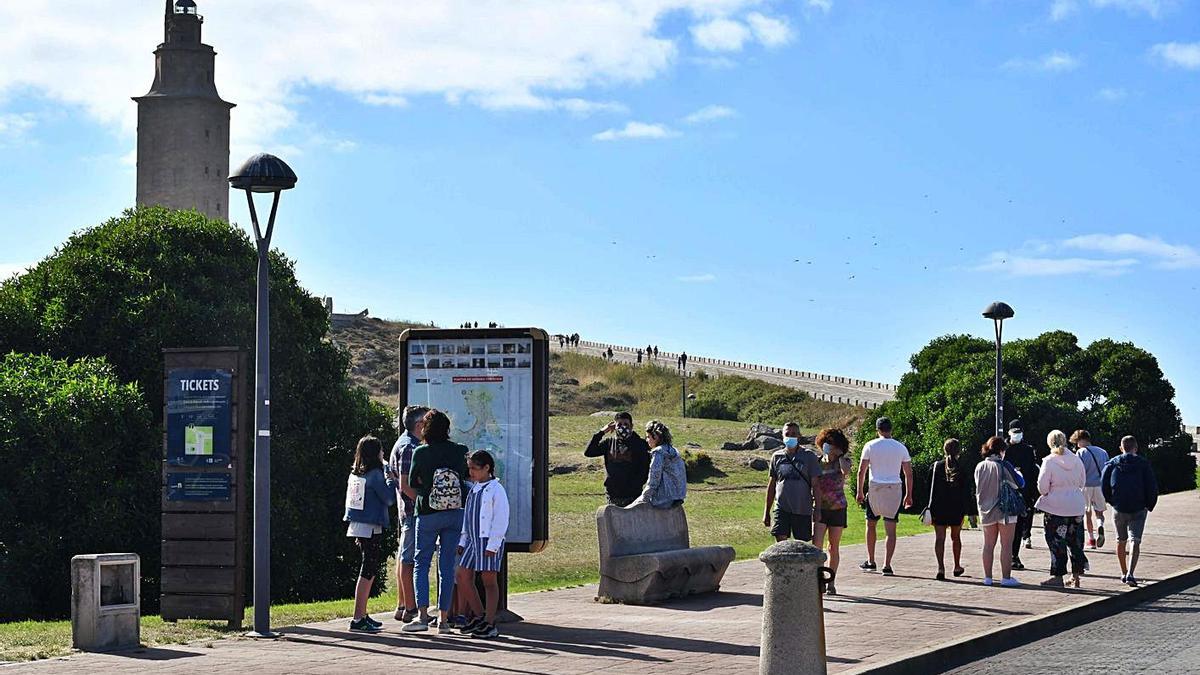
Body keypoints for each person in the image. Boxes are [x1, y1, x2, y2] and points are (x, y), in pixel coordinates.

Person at [404, 410, 468, 634]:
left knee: (421, 563)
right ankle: (443, 620)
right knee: (447, 567)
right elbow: (465, 476)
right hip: (454, 513)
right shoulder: (459, 450)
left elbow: (413, 482)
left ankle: (422, 616)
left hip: (428, 513)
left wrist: (427, 488)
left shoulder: (421, 452)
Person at [344, 435, 396, 632]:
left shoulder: (356, 473)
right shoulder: (375, 474)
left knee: (369, 568)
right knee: (368, 570)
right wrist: (390, 478)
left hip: (358, 523)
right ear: (376, 453)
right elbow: (389, 498)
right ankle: (358, 618)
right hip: (370, 525)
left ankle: (362, 613)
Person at [456, 450, 509, 638]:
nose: (471, 473)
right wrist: (463, 540)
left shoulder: (496, 489)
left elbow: (501, 519)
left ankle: (490, 622)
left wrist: (492, 545)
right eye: (469, 468)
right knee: (462, 575)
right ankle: (479, 616)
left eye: (475, 468)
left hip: (487, 541)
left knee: (489, 581)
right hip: (471, 539)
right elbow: (468, 517)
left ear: (487, 468)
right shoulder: (474, 488)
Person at [855, 417, 913, 576]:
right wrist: (909, 495)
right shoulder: (900, 447)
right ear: (891, 429)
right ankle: (887, 565)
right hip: (894, 487)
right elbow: (908, 474)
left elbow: (862, 471)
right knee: (891, 529)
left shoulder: (870, 445)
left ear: (878, 429)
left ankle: (871, 560)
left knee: (871, 524)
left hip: (875, 487)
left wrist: (860, 491)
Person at [388, 405, 429, 622]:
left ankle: (403, 605)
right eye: (427, 421)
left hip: (406, 511)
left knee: (405, 558)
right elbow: (405, 485)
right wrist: (424, 503)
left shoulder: (403, 442)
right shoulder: (410, 448)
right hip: (413, 511)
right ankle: (411, 608)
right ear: (419, 425)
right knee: (409, 560)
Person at [1101, 435, 1159, 587]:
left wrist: (1111, 500)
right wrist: (1149, 504)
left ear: (1121, 448)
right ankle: (1130, 574)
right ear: (1136, 448)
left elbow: (1103, 484)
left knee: (1121, 539)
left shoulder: (1112, 463)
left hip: (1119, 507)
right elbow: (1152, 486)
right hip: (1139, 507)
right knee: (1135, 540)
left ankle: (1123, 571)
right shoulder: (1143, 464)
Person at [1036, 430, 1087, 588]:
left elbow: (1042, 488)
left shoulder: (1049, 461)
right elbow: (1082, 482)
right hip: (1076, 505)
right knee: (1076, 542)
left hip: (1055, 507)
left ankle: (1058, 576)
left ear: (1049, 443)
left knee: (1056, 542)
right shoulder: (1076, 460)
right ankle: (1076, 576)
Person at [974, 435, 1024, 587]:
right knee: (1006, 544)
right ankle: (1006, 577)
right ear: (1001, 450)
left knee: (988, 544)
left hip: (985, 509)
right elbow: (1019, 483)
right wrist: (1018, 473)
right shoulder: (1004, 465)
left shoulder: (980, 466)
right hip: (1005, 509)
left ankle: (988, 577)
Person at [763, 422, 822, 543]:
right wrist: (766, 512)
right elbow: (772, 485)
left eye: (794, 434)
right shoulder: (777, 456)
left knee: (801, 546)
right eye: (787, 434)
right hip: (781, 508)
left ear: (799, 436)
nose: (790, 436)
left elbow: (816, 485)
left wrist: (818, 509)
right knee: (780, 545)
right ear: (782, 436)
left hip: (802, 509)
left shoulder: (809, 457)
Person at [813, 428, 852, 594]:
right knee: (817, 546)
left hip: (838, 508)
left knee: (833, 547)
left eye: (833, 445)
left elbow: (846, 471)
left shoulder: (843, 461)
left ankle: (831, 582)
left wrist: (840, 455)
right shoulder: (817, 461)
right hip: (820, 508)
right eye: (827, 444)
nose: (829, 447)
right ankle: (819, 579)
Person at [927, 438, 973, 581]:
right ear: (959, 451)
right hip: (956, 507)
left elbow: (928, 487)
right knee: (956, 537)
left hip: (939, 507)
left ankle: (940, 568)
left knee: (939, 538)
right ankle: (957, 566)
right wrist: (969, 510)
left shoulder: (936, 467)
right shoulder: (962, 468)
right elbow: (967, 491)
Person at [584, 412, 651, 507]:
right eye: (619, 424)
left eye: (626, 424)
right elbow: (589, 452)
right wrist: (602, 432)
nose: (623, 427)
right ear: (614, 426)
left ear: (631, 426)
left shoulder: (640, 444)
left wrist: (636, 485)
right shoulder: (609, 443)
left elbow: (645, 469)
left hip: (633, 496)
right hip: (612, 496)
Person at [1004, 419, 1039, 569]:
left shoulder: (1028, 450)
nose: (1017, 435)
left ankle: (1014, 555)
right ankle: (1005, 555)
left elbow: (1032, 472)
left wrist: (1032, 494)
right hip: (1006, 492)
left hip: (1023, 492)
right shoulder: (1004, 448)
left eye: (1019, 432)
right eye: (1014, 432)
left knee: (1018, 526)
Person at [630, 420, 686, 508]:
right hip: (677, 497)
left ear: (656, 437)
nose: (647, 440)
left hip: (662, 499)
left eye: (648, 437)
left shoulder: (658, 453)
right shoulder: (674, 451)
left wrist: (642, 499)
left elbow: (654, 480)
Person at [1071, 430, 1110, 551]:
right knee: (1099, 513)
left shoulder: (1081, 452)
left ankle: (1091, 539)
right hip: (1100, 485)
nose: (1077, 445)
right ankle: (1100, 526)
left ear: (1081, 440)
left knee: (1087, 513)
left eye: (1077, 441)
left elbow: (1077, 471)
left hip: (1085, 486)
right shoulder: (1102, 452)